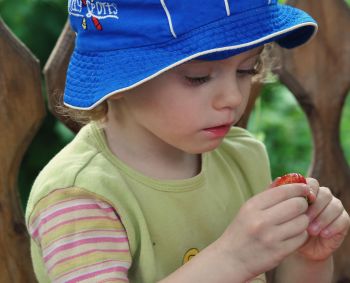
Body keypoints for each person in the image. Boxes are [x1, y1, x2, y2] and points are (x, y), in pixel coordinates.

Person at [25, 0, 350, 282]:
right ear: (120, 78)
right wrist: (233, 258)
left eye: (246, 69)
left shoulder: (243, 156)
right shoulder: (79, 195)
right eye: (199, 77)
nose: (233, 97)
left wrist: (308, 256)